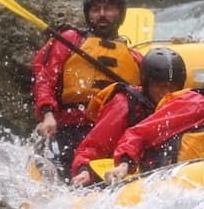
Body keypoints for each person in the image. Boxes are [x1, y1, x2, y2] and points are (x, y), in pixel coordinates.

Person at [32, 0, 143, 179]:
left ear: (120, 12)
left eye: (108, 8)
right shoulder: (70, 40)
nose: (102, 14)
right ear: (87, 14)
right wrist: (47, 114)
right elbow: (44, 78)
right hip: (69, 129)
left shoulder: (134, 58)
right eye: (95, 9)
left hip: (111, 134)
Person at [69, 47, 187, 186]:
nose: (166, 92)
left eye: (172, 87)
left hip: (156, 171)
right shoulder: (123, 104)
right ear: (146, 83)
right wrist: (84, 170)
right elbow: (93, 146)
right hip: (118, 172)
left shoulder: (183, 103)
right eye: (160, 86)